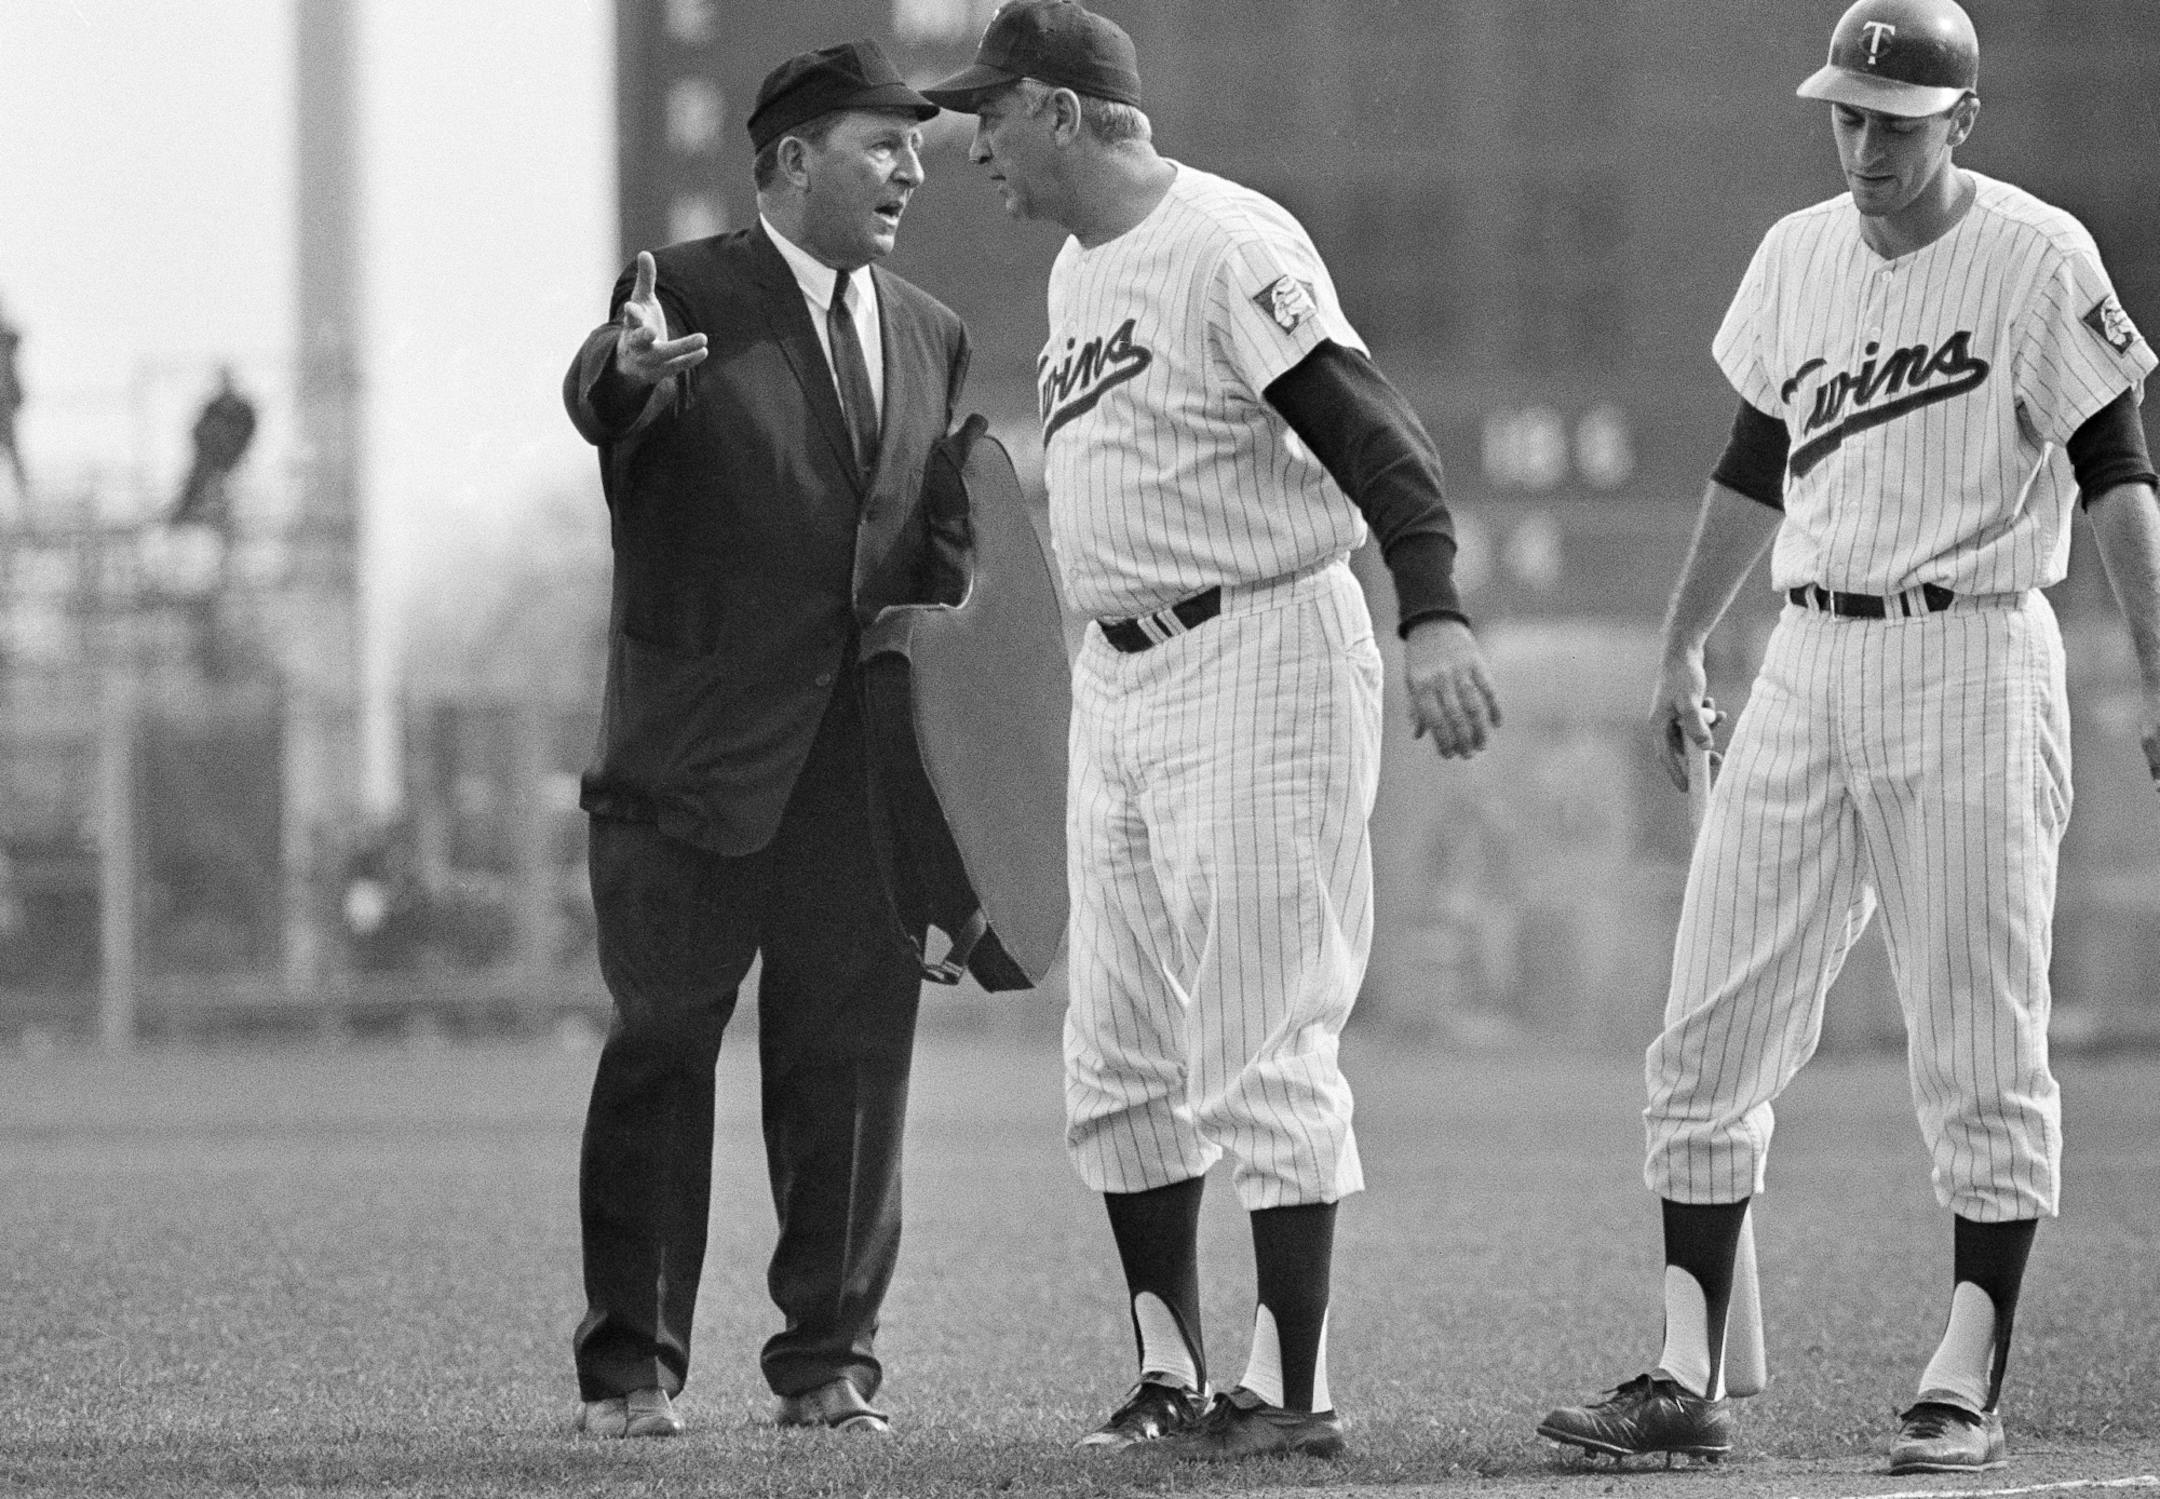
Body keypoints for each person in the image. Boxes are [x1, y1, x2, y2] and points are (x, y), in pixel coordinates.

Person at [1537, 0, 2160, 1476]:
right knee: (1704, 1031)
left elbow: (2119, 468)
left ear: (1961, 122)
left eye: (1894, 117)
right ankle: (1687, 1368)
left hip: (1976, 653)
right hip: (1809, 654)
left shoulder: (2036, 252)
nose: (1864, 140)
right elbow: (1753, 461)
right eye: (1846, 113)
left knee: (1978, 1038)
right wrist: (1684, 635)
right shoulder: (1795, 253)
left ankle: (1965, 1371)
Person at [924, 0, 1502, 1462]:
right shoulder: (1074, 274)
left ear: (1060, 110)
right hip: (1119, 673)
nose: (971, 140)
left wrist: (1431, 608)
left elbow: (1381, 437)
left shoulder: (1229, 245)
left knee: (1259, 1033)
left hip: (1260, 645)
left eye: (989, 111)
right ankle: (1170, 1370)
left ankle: (1292, 1385)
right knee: (1116, 1048)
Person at [558, 39, 969, 1441]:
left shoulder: (930, 328)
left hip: (856, 782)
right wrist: (626, 375)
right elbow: (607, 396)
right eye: (882, 144)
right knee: (663, 1049)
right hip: (693, 768)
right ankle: (631, 1366)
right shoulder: (681, 293)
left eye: (916, 146)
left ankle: (831, 1360)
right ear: (792, 161)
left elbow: (932, 552)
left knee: (851, 1071)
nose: (914, 168)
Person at [172, 366, 258, 529]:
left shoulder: (241, 409)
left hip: (228, 457)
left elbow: (247, 430)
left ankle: (205, 515)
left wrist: (233, 449)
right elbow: (198, 430)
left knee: (217, 485)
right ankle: (186, 514)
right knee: (200, 481)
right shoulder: (213, 407)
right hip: (211, 456)